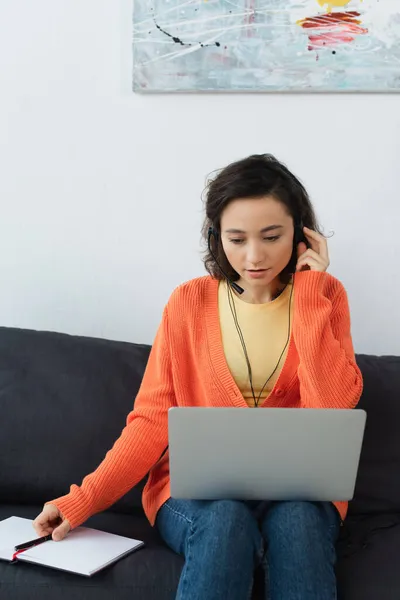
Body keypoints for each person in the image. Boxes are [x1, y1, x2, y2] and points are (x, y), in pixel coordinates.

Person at [33, 154, 363, 600]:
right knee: (225, 518)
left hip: (299, 493)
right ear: (215, 236)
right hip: (196, 495)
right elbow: (152, 421)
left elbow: (332, 410)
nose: (254, 256)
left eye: (272, 237)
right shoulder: (188, 303)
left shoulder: (326, 296)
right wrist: (83, 499)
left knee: (299, 520)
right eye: (236, 238)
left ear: (302, 235)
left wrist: (306, 298)